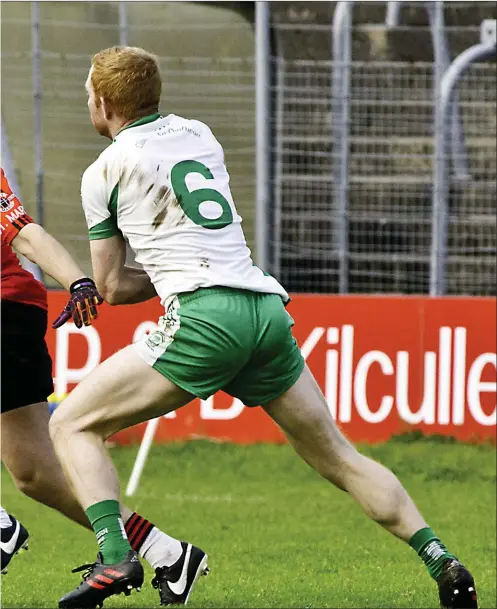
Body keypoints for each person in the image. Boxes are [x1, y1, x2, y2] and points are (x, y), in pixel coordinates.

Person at [49, 46, 478, 609]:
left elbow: (111, 287)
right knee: (339, 456)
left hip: (205, 319)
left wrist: (168, 272)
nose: (88, 102)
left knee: (72, 425)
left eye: (88, 94)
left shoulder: (103, 171)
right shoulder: (201, 135)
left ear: (103, 102)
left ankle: (114, 556)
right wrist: (186, 265)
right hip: (263, 308)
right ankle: (441, 559)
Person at [0, 168, 208, 603]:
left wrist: (76, 281)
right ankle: (166, 552)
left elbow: (24, 234)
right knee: (36, 474)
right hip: (14, 317)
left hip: (6, 309)